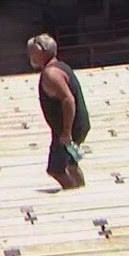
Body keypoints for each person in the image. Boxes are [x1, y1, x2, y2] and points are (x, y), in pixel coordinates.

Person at [27, 33, 90, 189]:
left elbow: (68, 100)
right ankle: (81, 189)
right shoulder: (60, 66)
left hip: (67, 130)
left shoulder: (51, 74)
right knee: (70, 164)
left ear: (41, 52)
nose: (30, 56)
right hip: (77, 125)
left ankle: (75, 194)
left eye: (32, 52)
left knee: (56, 170)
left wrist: (66, 132)